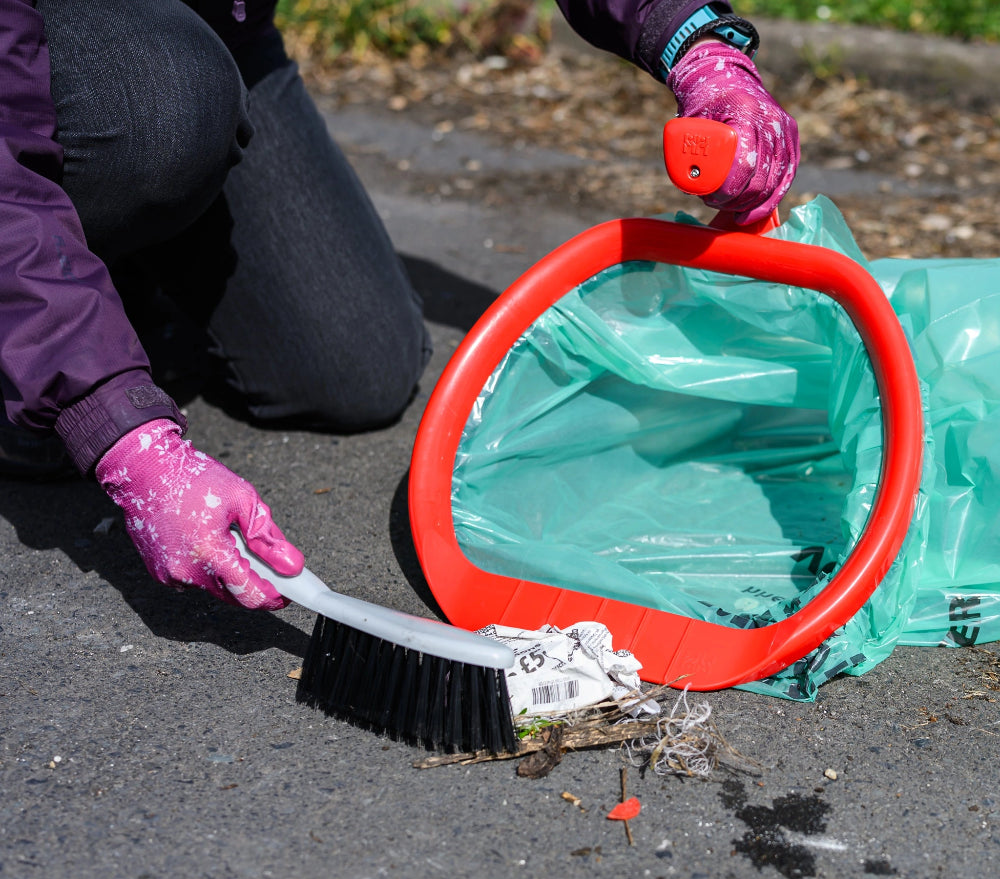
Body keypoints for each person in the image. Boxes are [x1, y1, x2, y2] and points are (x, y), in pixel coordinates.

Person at [0, 0, 798, 610]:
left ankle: (121, 274)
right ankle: (51, 340)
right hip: (64, 71)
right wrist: (115, 424)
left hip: (215, 27)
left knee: (354, 369)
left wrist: (692, 40)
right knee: (164, 110)